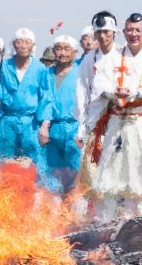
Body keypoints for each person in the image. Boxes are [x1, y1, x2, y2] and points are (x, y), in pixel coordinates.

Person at [86, 13, 142, 220]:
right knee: (111, 175)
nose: (133, 34)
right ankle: (111, 222)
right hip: (117, 123)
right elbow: (99, 82)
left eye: (138, 31)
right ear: (123, 32)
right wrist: (113, 92)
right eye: (130, 30)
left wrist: (137, 93)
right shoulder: (112, 57)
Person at [0, 29, 54, 189]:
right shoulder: (2, 68)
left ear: (33, 46)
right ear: (13, 44)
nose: (23, 46)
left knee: (35, 162)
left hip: (31, 122)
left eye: (27, 42)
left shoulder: (40, 70)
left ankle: (35, 198)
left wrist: (45, 126)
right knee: (5, 162)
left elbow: (47, 98)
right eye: (19, 42)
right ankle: (6, 197)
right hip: (7, 121)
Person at [74, 11, 121, 200]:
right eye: (99, 32)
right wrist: (81, 127)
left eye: (106, 32)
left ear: (114, 32)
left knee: (118, 170)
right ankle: (99, 217)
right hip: (95, 123)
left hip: (120, 121)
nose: (103, 36)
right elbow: (82, 92)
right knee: (93, 174)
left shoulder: (124, 55)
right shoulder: (89, 59)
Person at [40, 35, 82, 194]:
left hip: (74, 127)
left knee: (75, 171)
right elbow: (45, 100)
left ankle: (76, 210)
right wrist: (44, 126)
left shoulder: (81, 73)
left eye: (66, 49)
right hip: (53, 128)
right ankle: (55, 211)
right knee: (52, 173)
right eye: (59, 48)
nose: (62, 53)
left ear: (74, 53)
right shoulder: (47, 74)